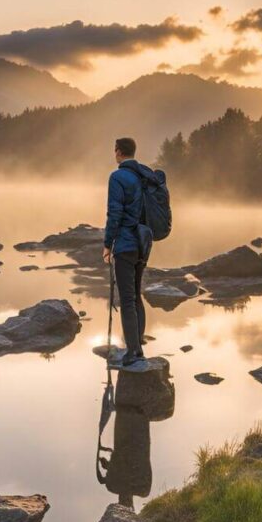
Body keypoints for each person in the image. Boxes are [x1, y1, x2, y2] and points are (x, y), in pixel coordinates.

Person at [103, 137, 151, 368]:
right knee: (136, 295)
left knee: (127, 300)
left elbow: (114, 213)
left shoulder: (118, 177)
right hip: (143, 244)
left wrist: (107, 243)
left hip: (125, 245)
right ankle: (138, 345)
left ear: (119, 152)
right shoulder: (143, 176)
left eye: (115, 151)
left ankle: (133, 352)